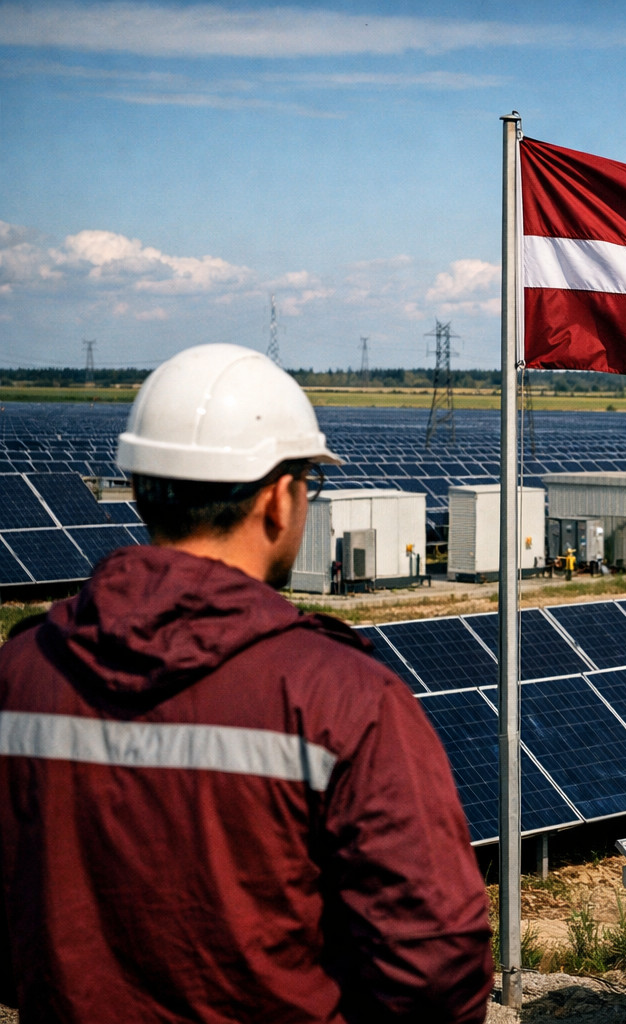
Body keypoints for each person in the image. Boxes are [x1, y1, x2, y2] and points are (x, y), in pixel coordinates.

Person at [0, 344, 493, 1023]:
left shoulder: (20, 672)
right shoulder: (343, 699)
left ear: (140, 487)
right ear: (277, 500)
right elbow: (435, 967)